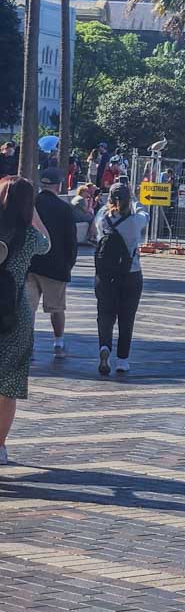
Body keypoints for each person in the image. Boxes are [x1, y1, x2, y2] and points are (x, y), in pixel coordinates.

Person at [0, 176, 51, 463]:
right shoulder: (29, 237)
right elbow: (47, 244)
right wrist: (32, 213)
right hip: (15, 313)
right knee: (7, 387)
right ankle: (0, 446)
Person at [94, 183, 149, 376]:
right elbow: (145, 214)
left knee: (105, 315)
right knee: (127, 317)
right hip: (130, 273)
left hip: (105, 275)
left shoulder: (102, 218)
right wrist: (135, 200)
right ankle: (122, 360)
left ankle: (105, 347)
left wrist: (107, 202)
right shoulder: (135, 221)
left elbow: (102, 209)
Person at [25, 169, 78, 358]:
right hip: (56, 266)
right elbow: (71, 241)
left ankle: (28, 347)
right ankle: (58, 343)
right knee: (56, 308)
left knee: (28, 310)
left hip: (30, 265)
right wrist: (68, 264)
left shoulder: (31, 204)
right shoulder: (64, 208)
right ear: (59, 185)